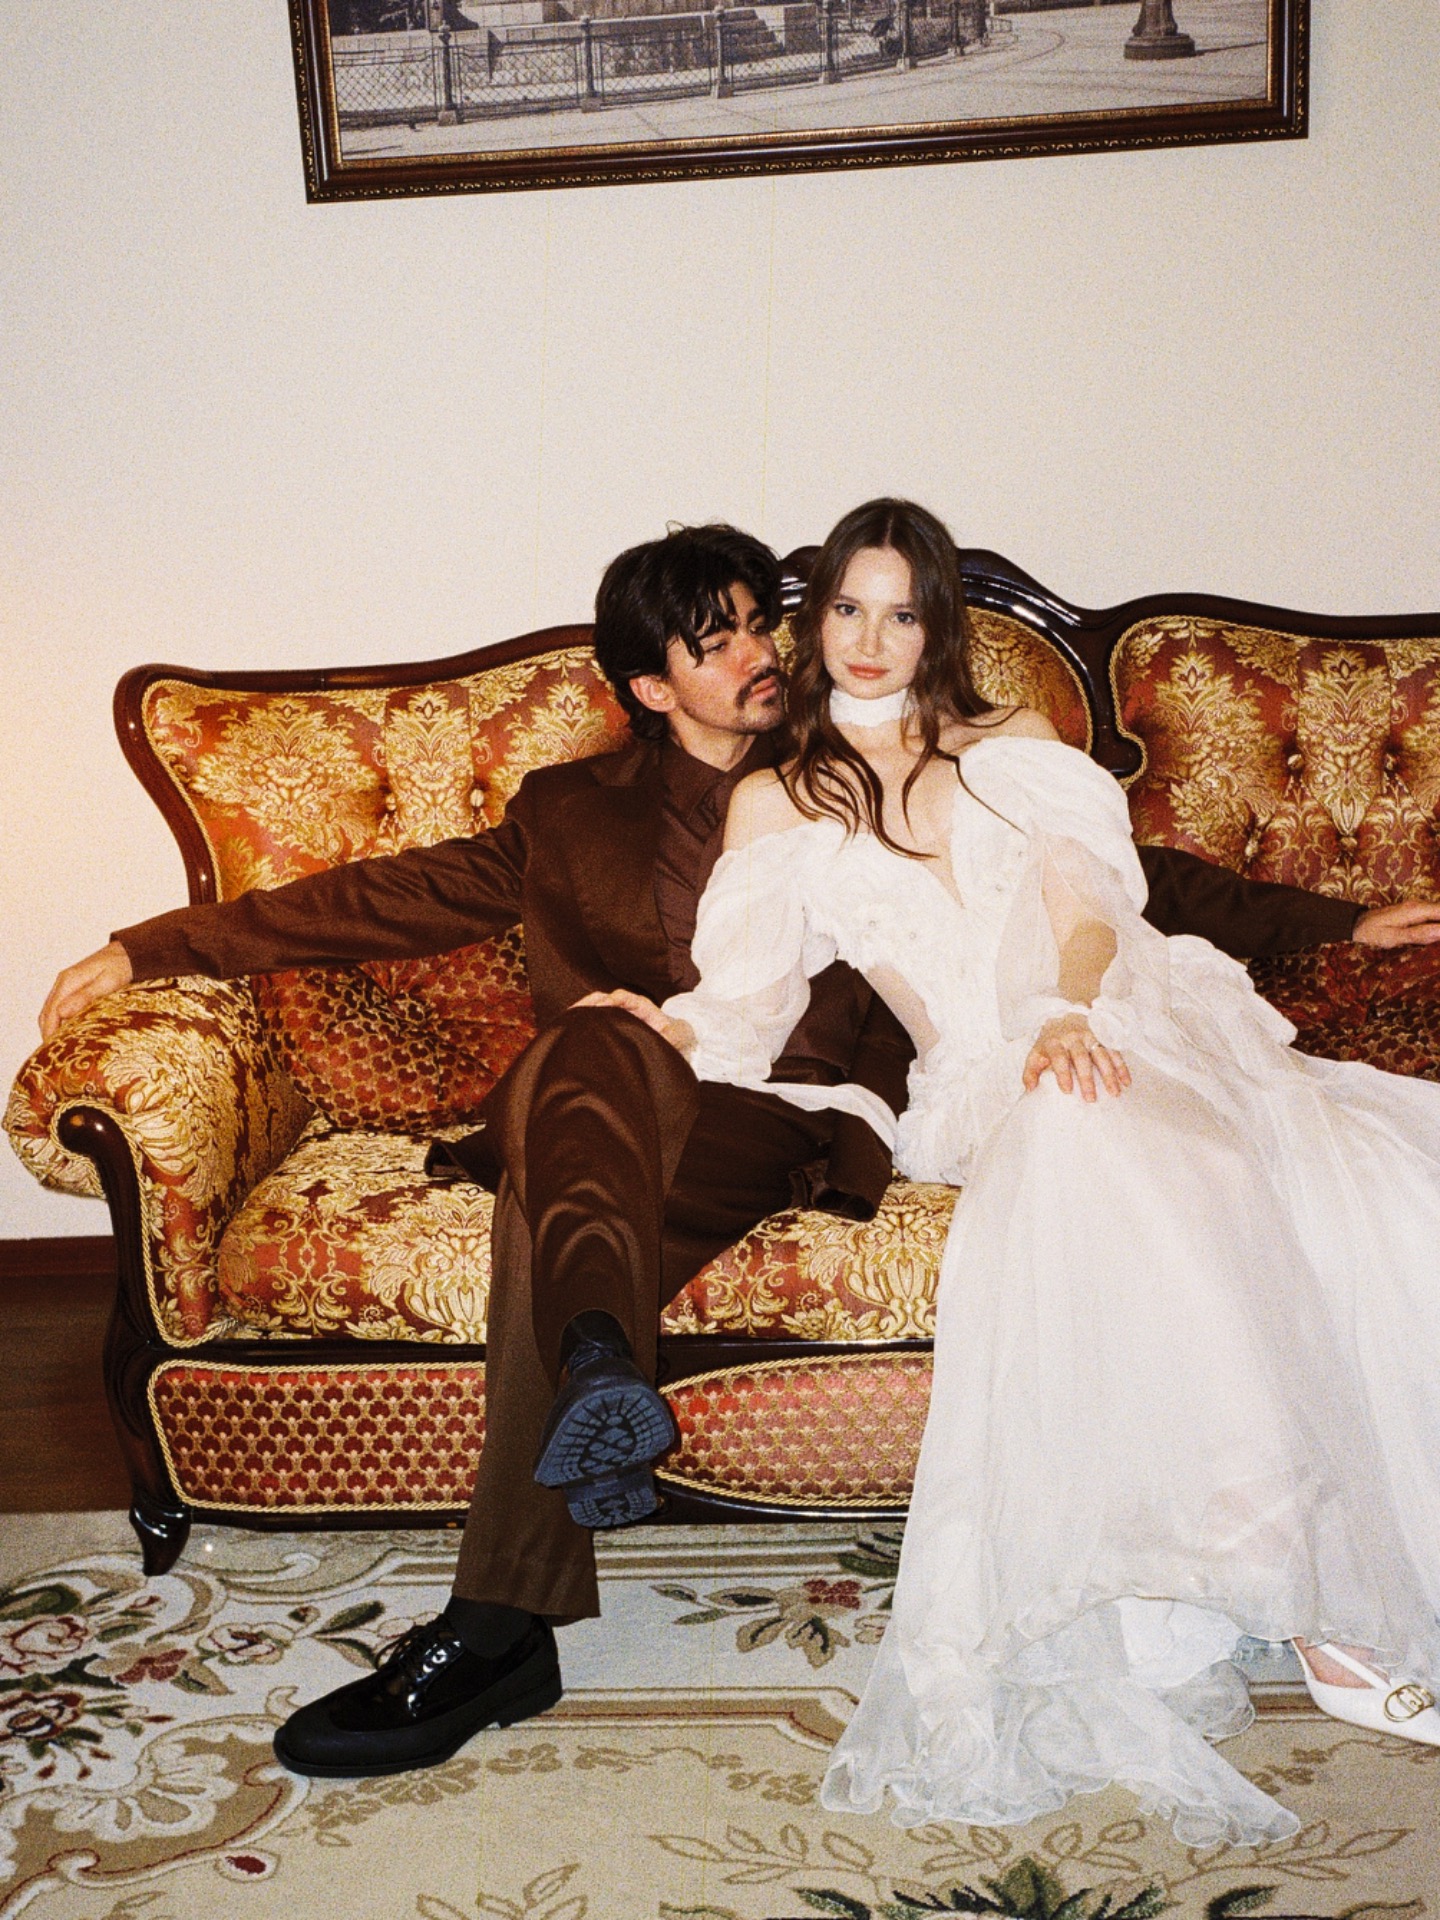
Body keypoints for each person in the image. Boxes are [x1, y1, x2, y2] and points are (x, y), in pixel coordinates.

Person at [38, 523, 1440, 1790]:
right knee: (590, 1061)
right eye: (720, 641)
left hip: (799, 1116)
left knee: (560, 1214)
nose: (762, 653)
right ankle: (554, 1474)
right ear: (652, 687)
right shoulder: (570, 811)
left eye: (765, 623)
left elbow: (1113, 880)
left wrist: (1325, 922)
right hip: (641, 1084)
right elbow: (377, 898)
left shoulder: (863, 769)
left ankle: (535, 1519)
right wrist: (150, 948)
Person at [599, 498, 1440, 1847]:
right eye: (847, 608)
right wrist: (659, 1030)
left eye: (902, 612)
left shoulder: (1018, 745)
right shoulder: (777, 798)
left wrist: (1067, 1013)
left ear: (939, 624)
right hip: (983, 1081)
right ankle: (1298, 1589)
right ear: (818, 623)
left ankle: (1318, 1596)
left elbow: (1090, 909)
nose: (871, 639)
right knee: (1078, 1132)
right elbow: (743, 1003)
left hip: (1117, 1015)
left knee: (1218, 1147)